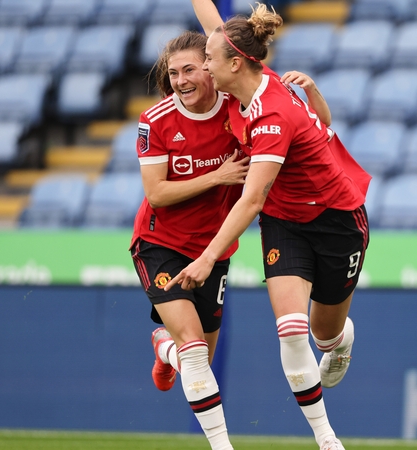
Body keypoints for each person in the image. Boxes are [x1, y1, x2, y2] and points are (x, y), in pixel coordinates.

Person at [164, 3, 372, 450]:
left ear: (234, 63)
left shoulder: (272, 116)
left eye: (209, 61)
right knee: (292, 330)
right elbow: (212, 25)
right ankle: (327, 439)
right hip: (285, 223)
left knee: (322, 333)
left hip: (337, 221)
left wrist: (206, 258)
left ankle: (340, 338)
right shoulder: (243, 62)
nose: (203, 69)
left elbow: (251, 198)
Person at [129, 29, 249, 450]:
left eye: (189, 70)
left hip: (213, 251)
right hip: (159, 244)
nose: (180, 80)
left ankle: (163, 349)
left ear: (212, 69)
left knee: (198, 363)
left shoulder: (238, 111)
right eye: (173, 72)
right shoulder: (155, 121)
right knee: (195, 352)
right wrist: (217, 176)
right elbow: (156, 193)